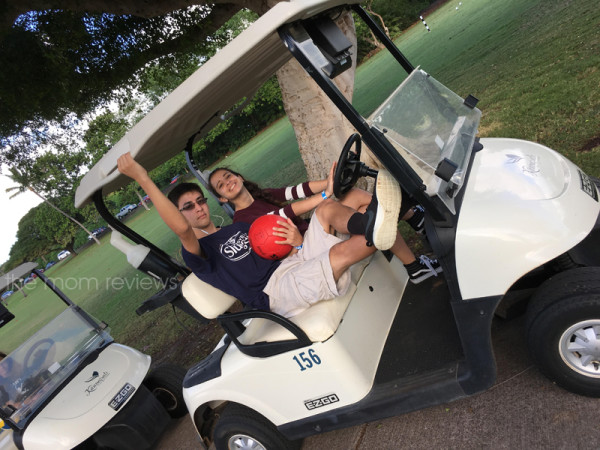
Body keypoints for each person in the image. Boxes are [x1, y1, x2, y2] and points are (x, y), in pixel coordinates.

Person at [118, 153, 422, 317]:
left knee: (328, 210)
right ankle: (380, 224)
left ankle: (373, 225)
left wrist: (301, 241)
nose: (198, 209)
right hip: (275, 291)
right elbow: (183, 230)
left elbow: (280, 231)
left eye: (200, 202)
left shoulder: (235, 228)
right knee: (341, 253)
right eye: (188, 207)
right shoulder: (198, 253)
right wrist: (142, 177)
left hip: (293, 261)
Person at [208, 166, 441, 284]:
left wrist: (331, 181)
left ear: (237, 176)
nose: (227, 182)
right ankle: (407, 216)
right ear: (222, 198)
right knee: (327, 208)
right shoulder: (241, 221)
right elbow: (282, 213)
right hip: (302, 252)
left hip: (313, 234)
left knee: (355, 195)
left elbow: (298, 190)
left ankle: (414, 266)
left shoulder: (261, 194)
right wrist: (324, 196)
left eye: (228, 176)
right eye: (221, 185)